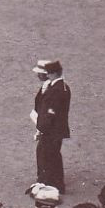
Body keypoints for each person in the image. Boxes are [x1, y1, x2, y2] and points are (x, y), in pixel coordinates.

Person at [31, 58, 71, 190]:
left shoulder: (56, 90)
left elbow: (50, 113)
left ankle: (51, 183)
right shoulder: (58, 87)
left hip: (52, 129)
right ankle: (51, 181)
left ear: (53, 73)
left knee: (48, 154)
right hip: (54, 129)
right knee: (48, 153)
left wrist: (41, 129)